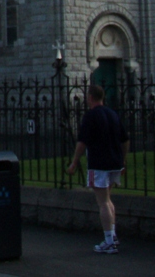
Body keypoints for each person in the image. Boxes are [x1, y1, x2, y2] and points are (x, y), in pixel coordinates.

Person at [66, 84, 130, 254]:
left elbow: (82, 142)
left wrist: (74, 162)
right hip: (115, 162)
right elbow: (125, 140)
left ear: (90, 97)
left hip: (99, 164)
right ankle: (112, 235)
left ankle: (109, 240)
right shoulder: (113, 114)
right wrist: (123, 160)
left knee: (102, 202)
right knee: (108, 200)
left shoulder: (90, 116)